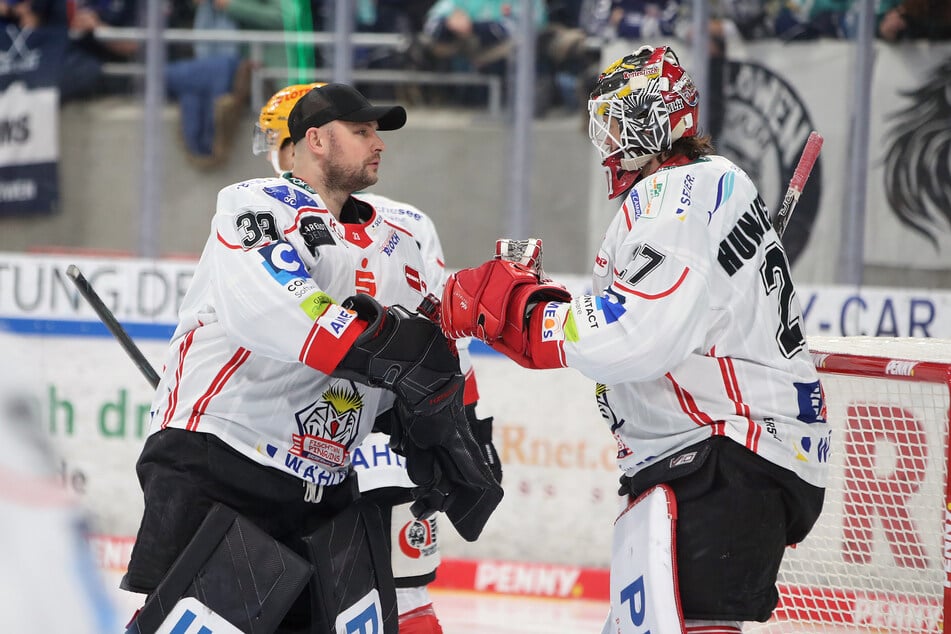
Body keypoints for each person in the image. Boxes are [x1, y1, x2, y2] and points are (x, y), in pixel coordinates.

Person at [440, 45, 829, 633]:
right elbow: (635, 327)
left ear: (655, 119)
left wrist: (524, 307)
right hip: (719, 454)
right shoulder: (705, 189)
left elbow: (637, 334)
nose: (609, 140)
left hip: (726, 451)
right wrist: (536, 317)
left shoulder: (680, 193)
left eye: (619, 123)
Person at [121, 83, 503, 633]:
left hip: (322, 482)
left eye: (378, 133)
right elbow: (278, 306)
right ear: (317, 140)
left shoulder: (400, 243)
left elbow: (432, 342)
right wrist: (386, 350)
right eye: (363, 131)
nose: (379, 144)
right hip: (224, 458)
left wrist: (448, 424)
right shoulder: (255, 205)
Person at [251, 82, 502, 634]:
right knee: (401, 600)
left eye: (276, 137)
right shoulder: (407, 221)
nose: (275, 150)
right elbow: (445, 337)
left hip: (324, 446)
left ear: (304, 141)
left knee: (296, 598)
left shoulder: (272, 212)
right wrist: (469, 427)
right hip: (398, 440)